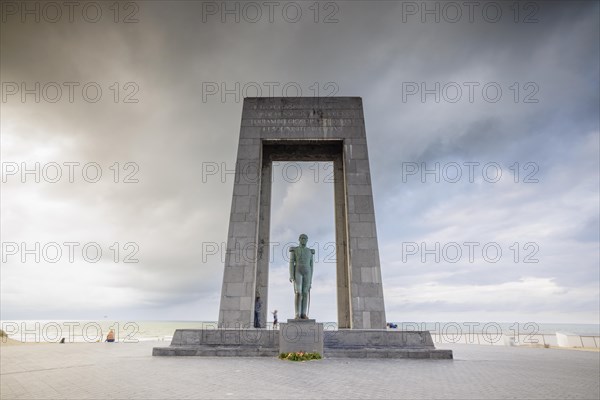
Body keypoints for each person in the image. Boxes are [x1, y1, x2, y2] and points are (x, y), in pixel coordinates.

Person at [289, 233, 315, 319]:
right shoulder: (295, 250)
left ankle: (303, 313)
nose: (303, 240)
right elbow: (291, 263)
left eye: (305, 238)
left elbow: (312, 266)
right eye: (302, 238)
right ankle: (297, 314)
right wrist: (291, 275)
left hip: (307, 272)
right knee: (298, 292)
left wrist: (311, 280)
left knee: (305, 292)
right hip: (298, 271)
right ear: (299, 239)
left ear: (307, 240)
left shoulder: (309, 251)